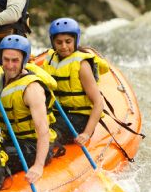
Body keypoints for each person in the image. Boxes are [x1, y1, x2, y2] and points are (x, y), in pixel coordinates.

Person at [0, 35, 58, 184]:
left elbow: (43, 130)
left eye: (15, 60)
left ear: (24, 60)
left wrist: (38, 166)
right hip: (9, 140)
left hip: (32, 147)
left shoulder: (32, 89)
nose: (9, 65)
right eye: (6, 59)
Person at [43, 18, 109, 146]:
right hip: (57, 114)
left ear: (75, 40)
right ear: (53, 43)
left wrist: (86, 133)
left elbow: (98, 103)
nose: (64, 46)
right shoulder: (51, 59)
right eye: (59, 42)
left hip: (79, 120)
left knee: (43, 134)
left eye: (68, 41)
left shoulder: (82, 65)